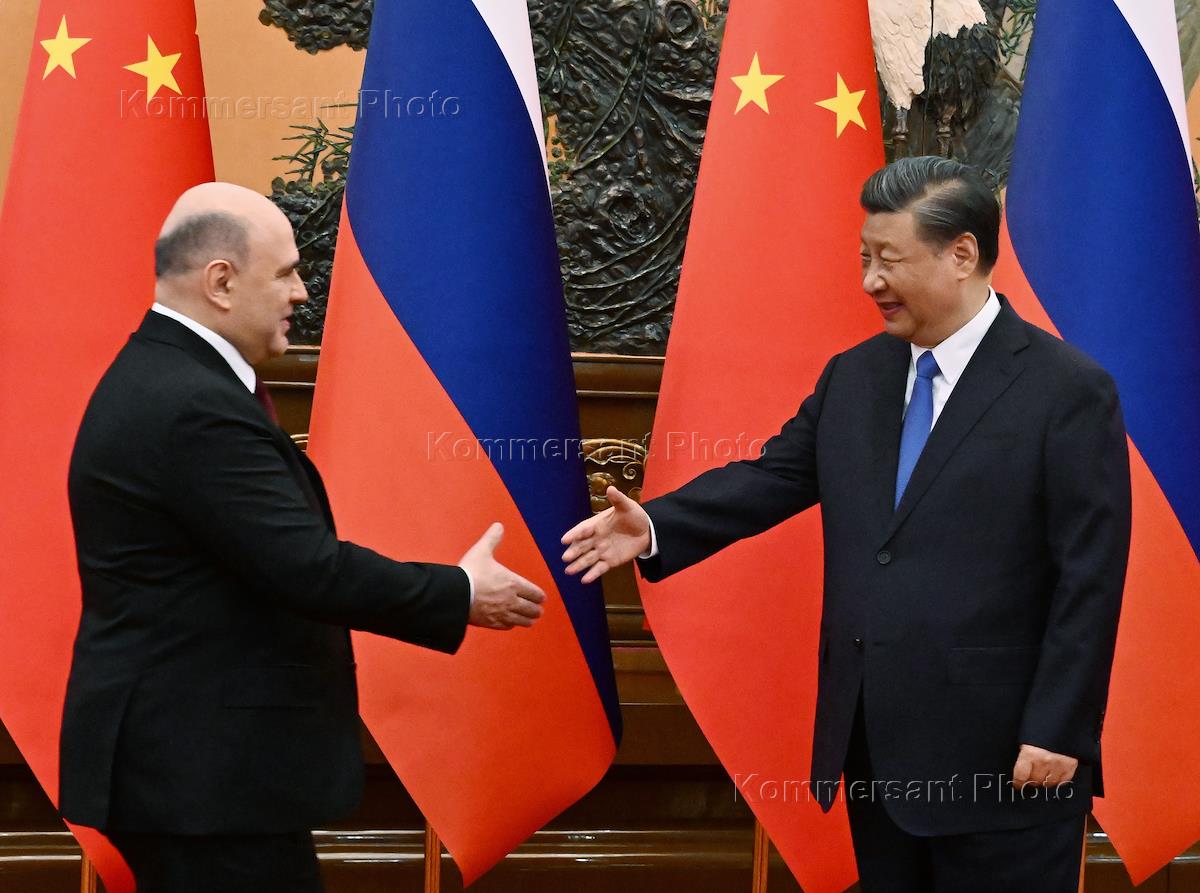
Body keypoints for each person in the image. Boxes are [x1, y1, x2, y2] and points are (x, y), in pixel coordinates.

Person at [561, 157, 1131, 892]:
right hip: (877, 751)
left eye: (889, 260)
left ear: (962, 254)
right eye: (864, 258)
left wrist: (1058, 728)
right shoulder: (855, 376)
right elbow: (774, 476)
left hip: (1006, 760)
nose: (869, 281)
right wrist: (656, 525)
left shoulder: (1067, 390)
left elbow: (1090, 577)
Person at [60, 182, 547, 892]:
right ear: (221, 282)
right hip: (203, 780)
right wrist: (460, 592)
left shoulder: (168, 377)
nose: (301, 292)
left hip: (200, 775)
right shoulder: (191, 403)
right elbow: (306, 567)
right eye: (286, 272)